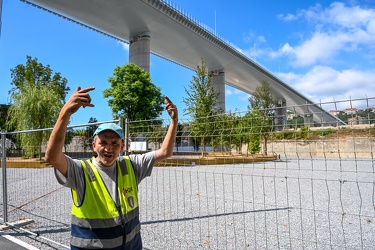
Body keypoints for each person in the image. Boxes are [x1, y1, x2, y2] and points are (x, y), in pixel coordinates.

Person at [45, 86, 178, 249]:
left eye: (115, 143)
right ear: (94, 145)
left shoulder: (131, 165)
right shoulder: (80, 170)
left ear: (122, 147)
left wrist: (174, 121)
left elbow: (165, 151)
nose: (108, 148)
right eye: (103, 143)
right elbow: (52, 157)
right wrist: (65, 113)